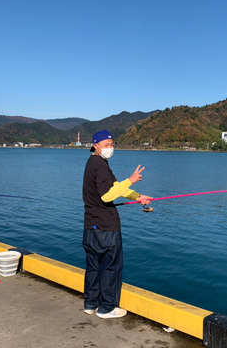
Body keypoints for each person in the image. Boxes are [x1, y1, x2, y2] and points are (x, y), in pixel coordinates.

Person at [82, 130, 152, 319]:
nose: (110, 148)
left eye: (112, 144)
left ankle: (90, 303)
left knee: (94, 267)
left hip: (90, 226)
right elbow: (107, 195)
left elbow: (115, 188)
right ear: (95, 145)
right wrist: (131, 180)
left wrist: (137, 196)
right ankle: (107, 308)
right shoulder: (101, 166)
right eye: (106, 144)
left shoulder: (93, 163)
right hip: (106, 228)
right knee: (111, 267)